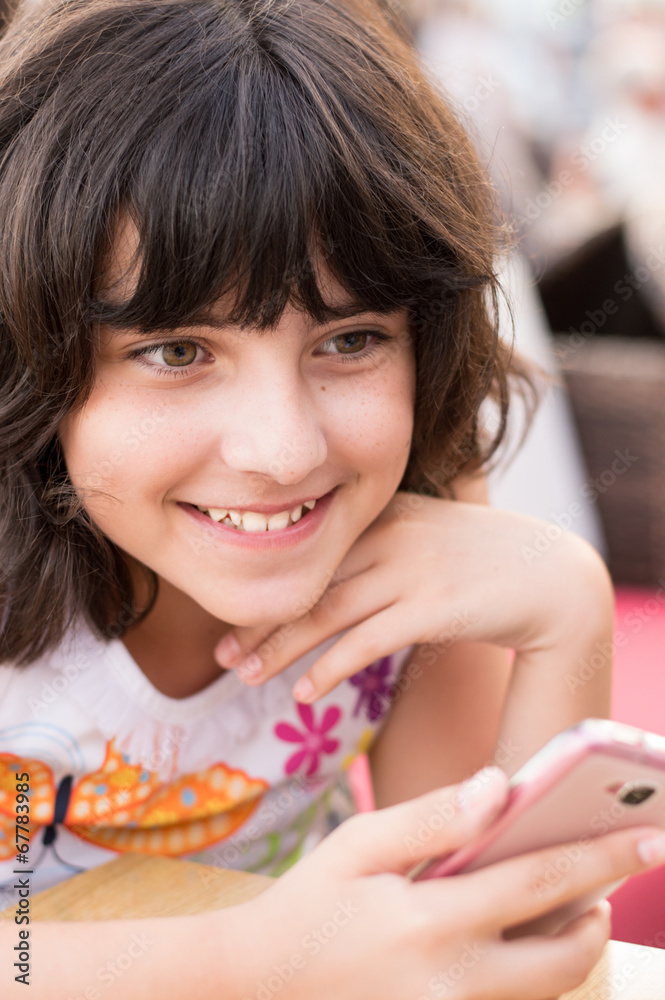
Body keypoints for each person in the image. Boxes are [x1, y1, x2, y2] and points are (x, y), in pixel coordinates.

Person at [0, 0, 664, 996]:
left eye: (348, 340)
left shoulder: (414, 527)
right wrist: (250, 959)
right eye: (177, 351)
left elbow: (489, 937)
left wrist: (563, 608)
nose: (281, 449)